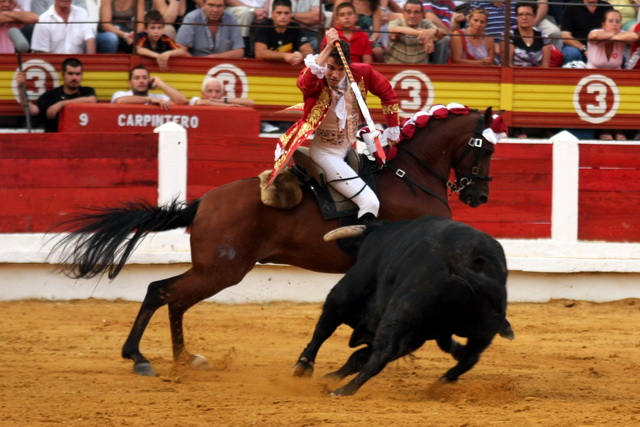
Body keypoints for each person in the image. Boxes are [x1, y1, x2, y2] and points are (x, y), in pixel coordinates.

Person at [273, 28, 399, 224]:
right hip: (326, 153)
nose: (335, 74)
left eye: (341, 68)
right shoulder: (317, 79)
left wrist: (393, 128)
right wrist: (327, 49)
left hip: (352, 145)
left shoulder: (362, 73)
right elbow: (304, 83)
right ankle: (358, 246)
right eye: (331, 67)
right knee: (370, 203)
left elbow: (388, 94)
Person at [587, 9, 638, 141]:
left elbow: (634, 37)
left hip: (615, 75)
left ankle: (618, 128)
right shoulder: (595, 31)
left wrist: (613, 36)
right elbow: (594, 37)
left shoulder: (621, 34)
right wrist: (613, 36)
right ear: (603, 24)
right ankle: (604, 129)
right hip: (593, 76)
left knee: (621, 90)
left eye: (618, 22)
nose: (614, 24)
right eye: (610, 21)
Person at [16, 57, 96, 132]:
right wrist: (20, 88)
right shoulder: (51, 95)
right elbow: (32, 111)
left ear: (82, 76)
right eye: (70, 74)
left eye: (77, 74)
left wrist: (61, 104)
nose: (74, 78)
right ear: (63, 75)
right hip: (54, 142)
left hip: (77, 141)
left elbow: (92, 100)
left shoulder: (87, 91)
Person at [175, 0, 244, 58]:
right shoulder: (192, 18)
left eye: (220, 6)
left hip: (223, 67)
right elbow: (180, 49)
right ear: (203, 5)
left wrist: (214, 58)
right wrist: (198, 63)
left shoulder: (231, 18)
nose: (215, 10)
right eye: (211, 5)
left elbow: (239, 51)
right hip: (196, 67)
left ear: (225, 7)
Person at [254, 0, 314, 65]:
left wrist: (300, 55)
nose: (283, 17)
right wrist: (284, 55)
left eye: (286, 13)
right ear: (272, 14)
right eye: (279, 13)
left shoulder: (295, 27)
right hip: (264, 69)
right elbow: (259, 53)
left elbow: (309, 51)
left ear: (291, 14)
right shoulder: (264, 27)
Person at [31, 0, 96, 54]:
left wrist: (90, 62)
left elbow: (90, 39)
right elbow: (43, 52)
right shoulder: (44, 19)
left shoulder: (82, 13)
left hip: (77, 65)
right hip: (54, 66)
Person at [111, 64, 187, 109]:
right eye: (137, 78)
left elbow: (182, 101)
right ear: (130, 83)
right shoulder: (121, 94)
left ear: (149, 81)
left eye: (145, 78)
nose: (141, 81)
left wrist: (160, 83)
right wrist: (150, 100)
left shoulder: (159, 98)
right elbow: (119, 101)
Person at [560, 0, 612, 66]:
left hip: (600, 46)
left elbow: (613, 31)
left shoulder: (607, 7)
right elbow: (565, 36)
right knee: (572, 54)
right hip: (576, 46)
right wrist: (584, 48)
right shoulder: (571, 7)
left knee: (618, 58)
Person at [509, 1, 551, 67]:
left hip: (537, 75)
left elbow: (545, 65)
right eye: (520, 14)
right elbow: (508, 64)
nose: (524, 18)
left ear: (534, 16)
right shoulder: (510, 35)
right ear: (516, 17)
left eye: (528, 14)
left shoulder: (543, 36)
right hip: (515, 75)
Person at [189, 76, 256, 107]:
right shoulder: (195, 99)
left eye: (217, 91)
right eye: (209, 91)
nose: (214, 95)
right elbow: (200, 103)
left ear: (222, 94)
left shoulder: (222, 100)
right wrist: (226, 106)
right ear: (202, 93)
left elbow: (251, 103)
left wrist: (224, 101)